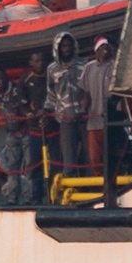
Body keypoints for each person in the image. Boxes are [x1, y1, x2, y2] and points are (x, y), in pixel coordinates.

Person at [19, 50, 57, 204]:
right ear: (31, 63)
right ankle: (36, 197)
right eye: (37, 61)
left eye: (42, 60)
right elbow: (21, 103)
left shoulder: (52, 77)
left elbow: (58, 98)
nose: (40, 64)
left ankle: (54, 196)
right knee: (34, 165)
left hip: (53, 127)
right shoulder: (25, 80)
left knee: (56, 164)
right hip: (35, 129)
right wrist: (29, 113)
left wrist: (48, 113)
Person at [46, 31, 85, 177]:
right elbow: (50, 93)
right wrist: (49, 112)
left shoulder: (84, 64)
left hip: (84, 115)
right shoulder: (52, 69)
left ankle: (90, 186)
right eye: (63, 46)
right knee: (69, 157)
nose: (66, 49)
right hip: (65, 118)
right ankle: (71, 185)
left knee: (88, 155)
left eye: (69, 45)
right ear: (58, 48)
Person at [0, 70, 32, 205]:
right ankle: (13, 198)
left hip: (26, 131)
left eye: (2, 78)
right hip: (11, 132)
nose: (0, 82)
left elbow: (24, 107)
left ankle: (30, 198)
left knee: (30, 166)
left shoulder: (17, 91)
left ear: (7, 77)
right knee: (13, 167)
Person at [79, 37, 116, 176]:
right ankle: (99, 185)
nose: (105, 49)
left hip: (111, 120)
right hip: (94, 121)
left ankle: (112, 183)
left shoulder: (114, 66)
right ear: (96, 50)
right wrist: (83, 110)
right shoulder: (89, 67)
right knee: (95, 158)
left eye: (107, 46)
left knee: (111, 155)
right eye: (102, 47)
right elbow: (86, 93)